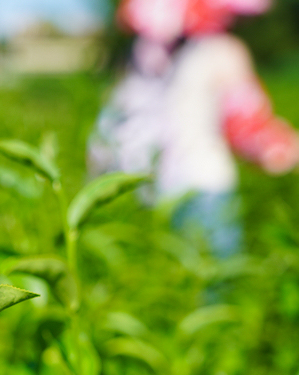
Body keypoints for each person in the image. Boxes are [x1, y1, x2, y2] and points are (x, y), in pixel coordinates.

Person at [89, 0, 299, 257]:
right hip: (190, 187)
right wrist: (278, 148)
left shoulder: (147, 53)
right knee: (210, 270)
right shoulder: (213, 51)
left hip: (156, 187)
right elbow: (245, 123)